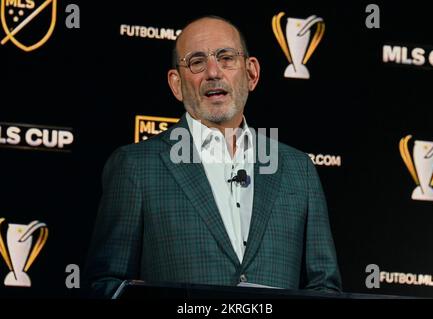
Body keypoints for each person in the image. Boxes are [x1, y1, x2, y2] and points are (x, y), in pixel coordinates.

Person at [85, 15, 342, 298]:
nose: (213, 72)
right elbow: (107, 286)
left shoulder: (298, 169)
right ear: (176, 83)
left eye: (226, 58)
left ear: (251, 73)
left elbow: (324, 288)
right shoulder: (135, 166)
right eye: (196, 62)